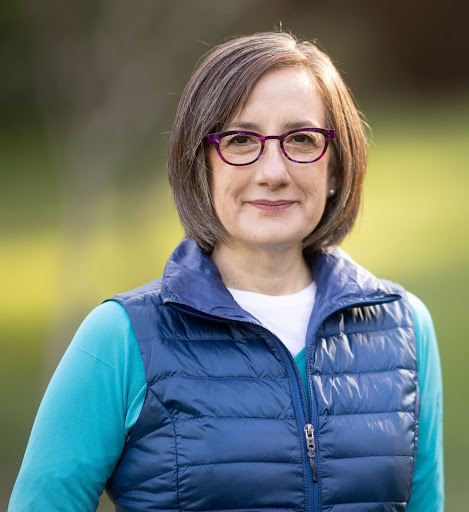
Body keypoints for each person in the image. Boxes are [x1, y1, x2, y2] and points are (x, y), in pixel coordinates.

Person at [9, 32, 443, 512]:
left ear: (336, 167)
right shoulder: (119, 339)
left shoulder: (406, 330)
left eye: (302, 139)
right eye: (240, 140)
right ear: (202, 165)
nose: (273, 171)